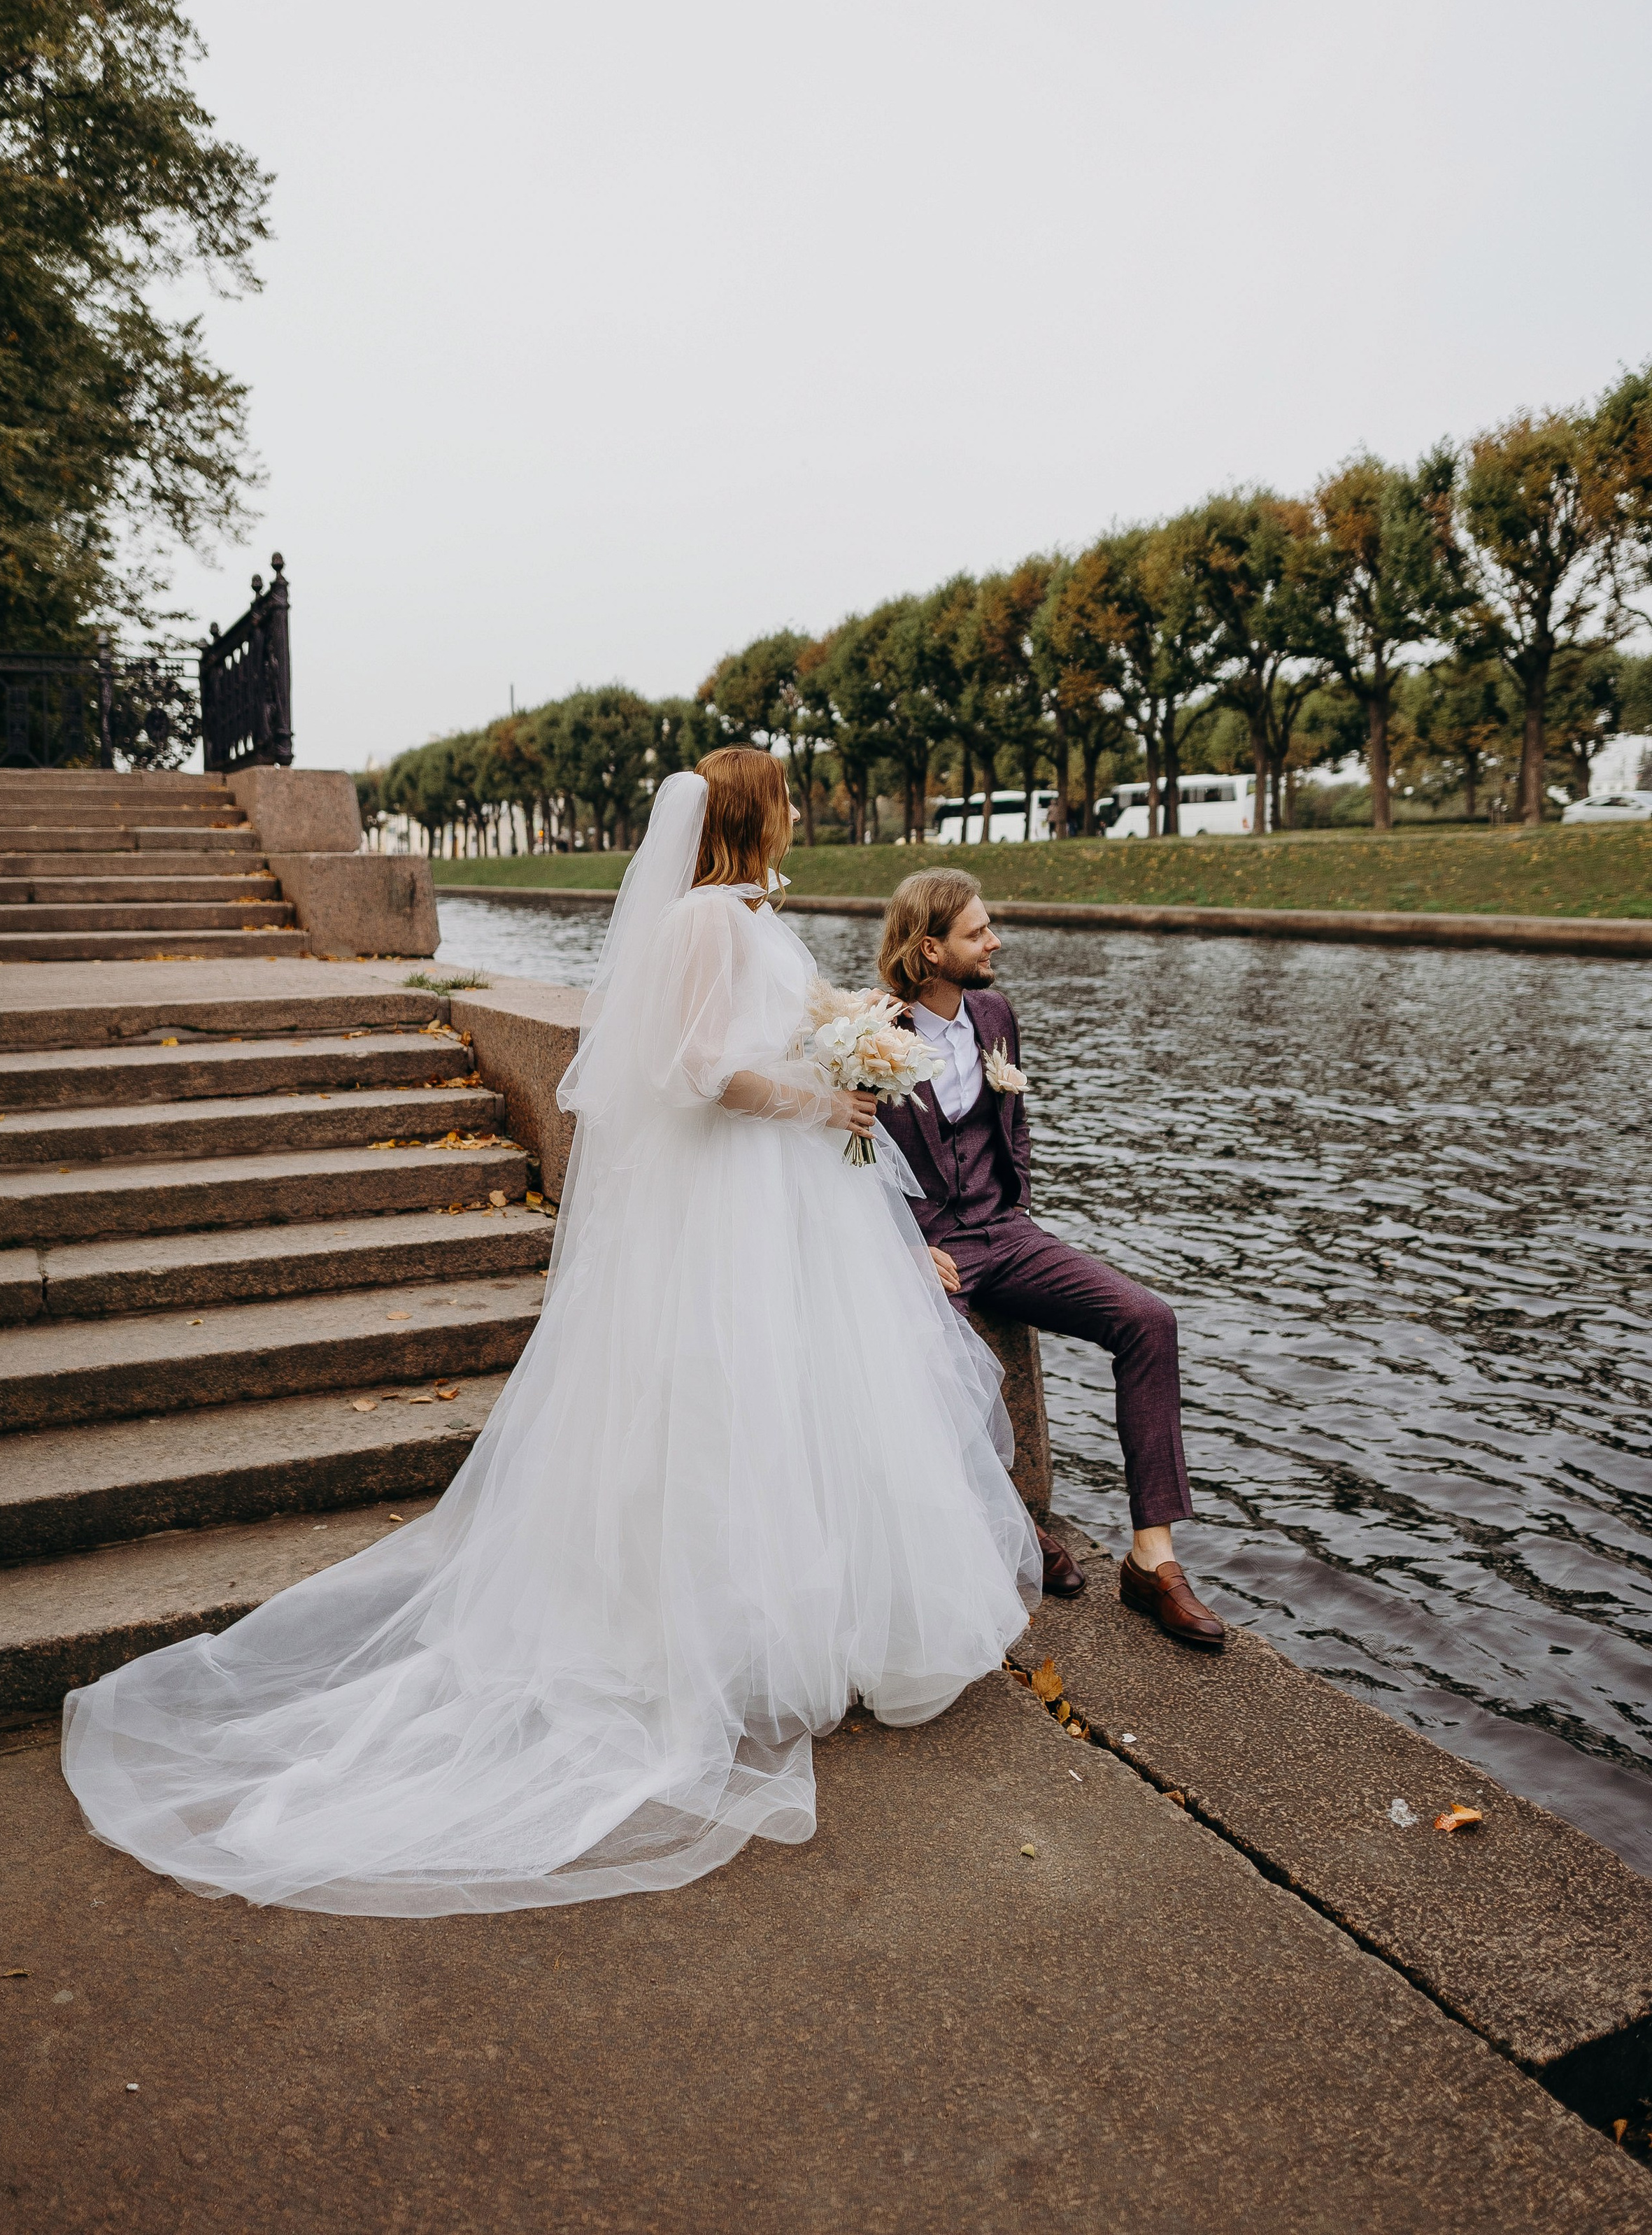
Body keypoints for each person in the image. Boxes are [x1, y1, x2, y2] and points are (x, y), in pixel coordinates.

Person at [60, 754, 1041, 1917]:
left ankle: (777, 1622)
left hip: (767, 1198)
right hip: (742, 1193)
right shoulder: (710, 923)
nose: (795, 813)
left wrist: (832, 1044)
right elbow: (702, 1072)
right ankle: (733, 1637)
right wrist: (822, 1097)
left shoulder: (731, 914)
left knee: (769, 1402)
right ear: (749, 818)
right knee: (736, 1398)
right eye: (782, 799)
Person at [871, 869, 1225, 1652]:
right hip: (930, 1243)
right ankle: (1014, 1529)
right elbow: (841, 1156)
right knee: (929, 1358)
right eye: (976, 932)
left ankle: (1152, 1558)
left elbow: (1014, 1120)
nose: (994, 941)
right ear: (930, 949)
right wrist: (901, 1248)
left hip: (1007, 1230)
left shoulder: (995, 1012)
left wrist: (1017, 1207)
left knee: (1147, 1319)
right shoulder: (870, 1034)